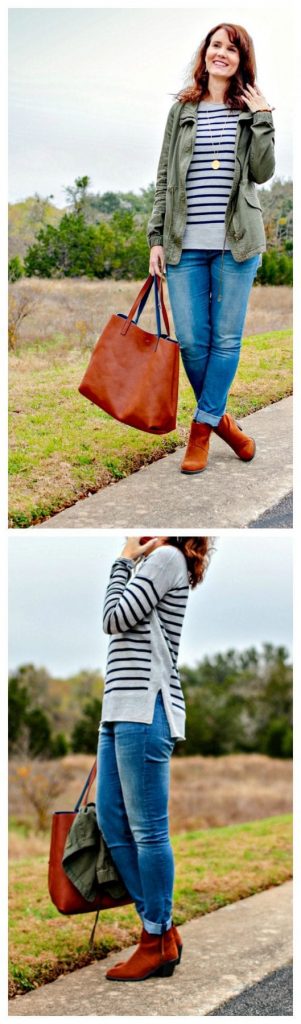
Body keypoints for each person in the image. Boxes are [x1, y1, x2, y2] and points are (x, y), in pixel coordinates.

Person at [147, 23, 275, 474]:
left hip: (237, 246)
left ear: (242, 60)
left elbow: (261, 172)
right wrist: (156, 238)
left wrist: (263, 121)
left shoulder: (251, 110)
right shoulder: (182, 110)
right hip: (184, 245)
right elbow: (164, 179)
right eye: (216, 45)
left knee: (225, 339)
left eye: (232, 49)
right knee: (193, 344)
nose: (222, 53)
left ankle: (200, 432)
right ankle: (223, 423)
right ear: (205, 53)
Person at [96, 534, 212, 982]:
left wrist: (124, 558)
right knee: (111, 821)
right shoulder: (156, 561)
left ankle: (154, 938)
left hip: (145, 711)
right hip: (120, 710)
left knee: (147, 831)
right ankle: (161, 928)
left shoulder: (164, 558)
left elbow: (114, 617)